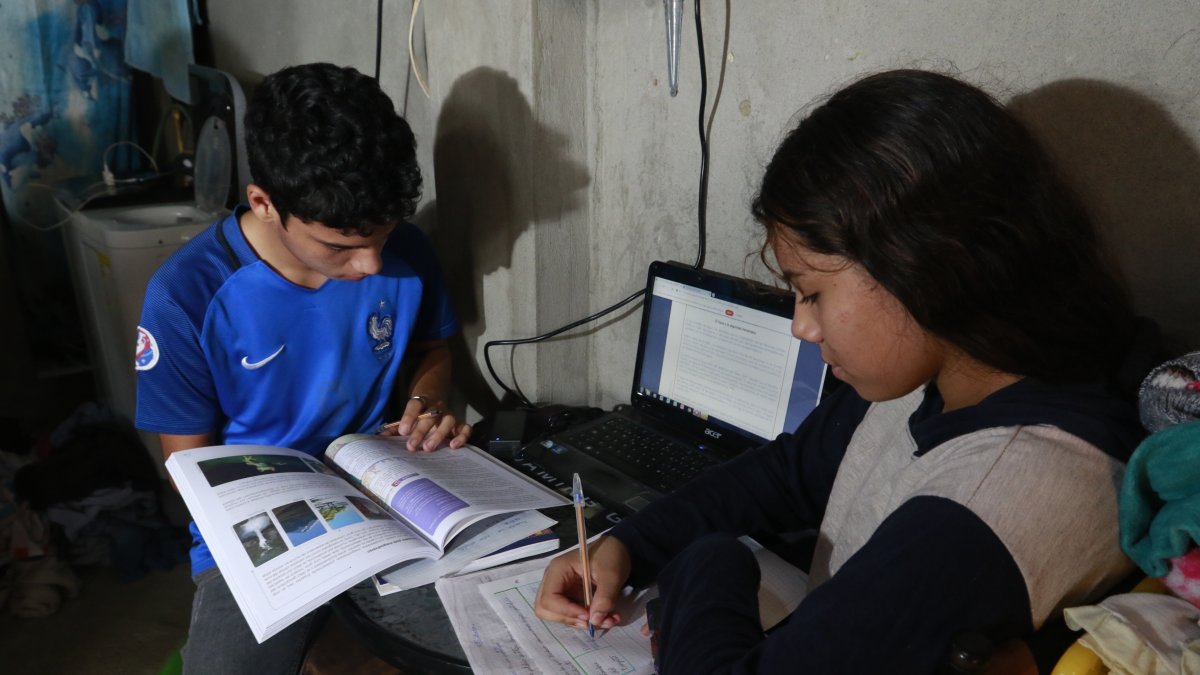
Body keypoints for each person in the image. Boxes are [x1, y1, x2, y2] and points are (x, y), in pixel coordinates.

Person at [534, 69, 1151, 673]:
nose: (802, 327)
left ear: (921, 266)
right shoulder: (941, 373)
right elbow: (786, 473)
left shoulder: (994, 504)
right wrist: (630, 545)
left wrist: (704, 564)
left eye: (811, 293)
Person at [135, 63, 470, 673]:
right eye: (340, 246)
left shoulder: (406, 253)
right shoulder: (185, 295)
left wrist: (429, 402)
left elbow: (433, 350)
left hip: (391, 499)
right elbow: (187, 467)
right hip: (262, 533)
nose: (371, 264)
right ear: (265, 202)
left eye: (383, 236)